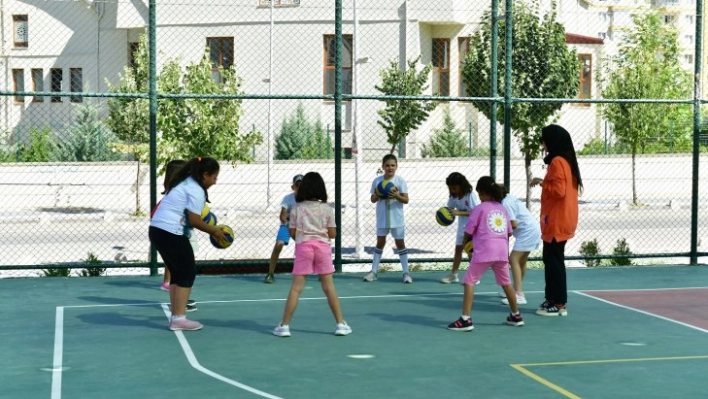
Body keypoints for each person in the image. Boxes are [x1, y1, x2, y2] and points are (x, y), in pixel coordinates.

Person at [149, 156, 227, 331]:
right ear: (205, 175)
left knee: (177, 273)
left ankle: (177, 316)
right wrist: (214, 230)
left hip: (158, 230)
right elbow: (195, 221)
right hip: (169, 232)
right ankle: (178, 318)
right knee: (187, 273)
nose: (215, 181)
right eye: (214, 176)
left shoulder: (185, 182)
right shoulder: (196, 190)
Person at [272, 172, 352, 337]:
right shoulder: (327, 209)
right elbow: (332, 233)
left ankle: (284, 326)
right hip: (323, 249)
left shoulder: (297, 209)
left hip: (303, 248)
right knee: (329, 287)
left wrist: (302, 238)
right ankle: (340, 324)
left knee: (296, 289)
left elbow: (292, 232)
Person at [447, 176, 524, 331]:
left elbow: (468, 231)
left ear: (482, 192)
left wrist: (465, 244)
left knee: (469, 282)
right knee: (506, 283)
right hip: (502, 251)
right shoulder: (502, 209)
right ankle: (516, 315)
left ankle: (465, 319)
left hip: (484, 252)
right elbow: (509, 232)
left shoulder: (478, 209)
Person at [530, 124, 583, 317]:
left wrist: (542, 183)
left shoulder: (558, 162)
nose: (542, 145)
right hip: (559, 219)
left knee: (554, 262)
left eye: (544, 141)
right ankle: (553, 299)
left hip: (557, 220)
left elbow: (559, 191)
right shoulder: (565, 161)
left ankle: (559, 302)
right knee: (552, 260)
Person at [154, 159, 197, 312]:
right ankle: (180, 307)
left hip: (171, 234)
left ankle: (179, 304)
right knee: (186, 272)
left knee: (179, 270)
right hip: (175, 235)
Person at [363, 154, 411, 283]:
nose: (390, 168)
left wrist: (396, 195)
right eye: (387, 165)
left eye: (393, 165)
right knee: (380, 243)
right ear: (383, 166)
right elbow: (373, 199)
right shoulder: (377, 181)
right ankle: (373, 272)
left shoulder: (400, 181)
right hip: (382, 217)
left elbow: (406, 200)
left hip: (397, 218)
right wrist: (378, 194)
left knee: (400, 244)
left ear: (396, 166)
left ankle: (406, 273)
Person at [498, 186, 542, 306]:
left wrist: (502, 234)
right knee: (521, 261)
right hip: (531, 230)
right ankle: (515, 290)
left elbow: (513, 224)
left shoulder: (506, 203)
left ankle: (518, 294)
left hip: (527, 232)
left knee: (513, 260)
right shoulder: (509, 198)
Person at [439, 172, 479, 284]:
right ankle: (454, 274)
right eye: (451, 188)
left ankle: (474, 275)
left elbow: (475, 212)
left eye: (455, 188)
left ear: (461, 185)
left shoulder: (470, 195)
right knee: (458, 250)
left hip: (473, 227)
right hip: (462, 227)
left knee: (470, 251)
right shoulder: (453, 196)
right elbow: (449, 209)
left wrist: (458, 212)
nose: (453, 190)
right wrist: (444, 214)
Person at [264, 174, 303, 283]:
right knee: (278, 245)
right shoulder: (287, 198)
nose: (299, 187)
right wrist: (288, 224)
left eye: (302, 185)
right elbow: (282, 216)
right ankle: (270, 273)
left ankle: (321, 272)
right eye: (297, 185)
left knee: (310, 247)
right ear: (293, 187)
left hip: (302, 227)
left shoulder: (308, 200)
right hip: (287, 225)